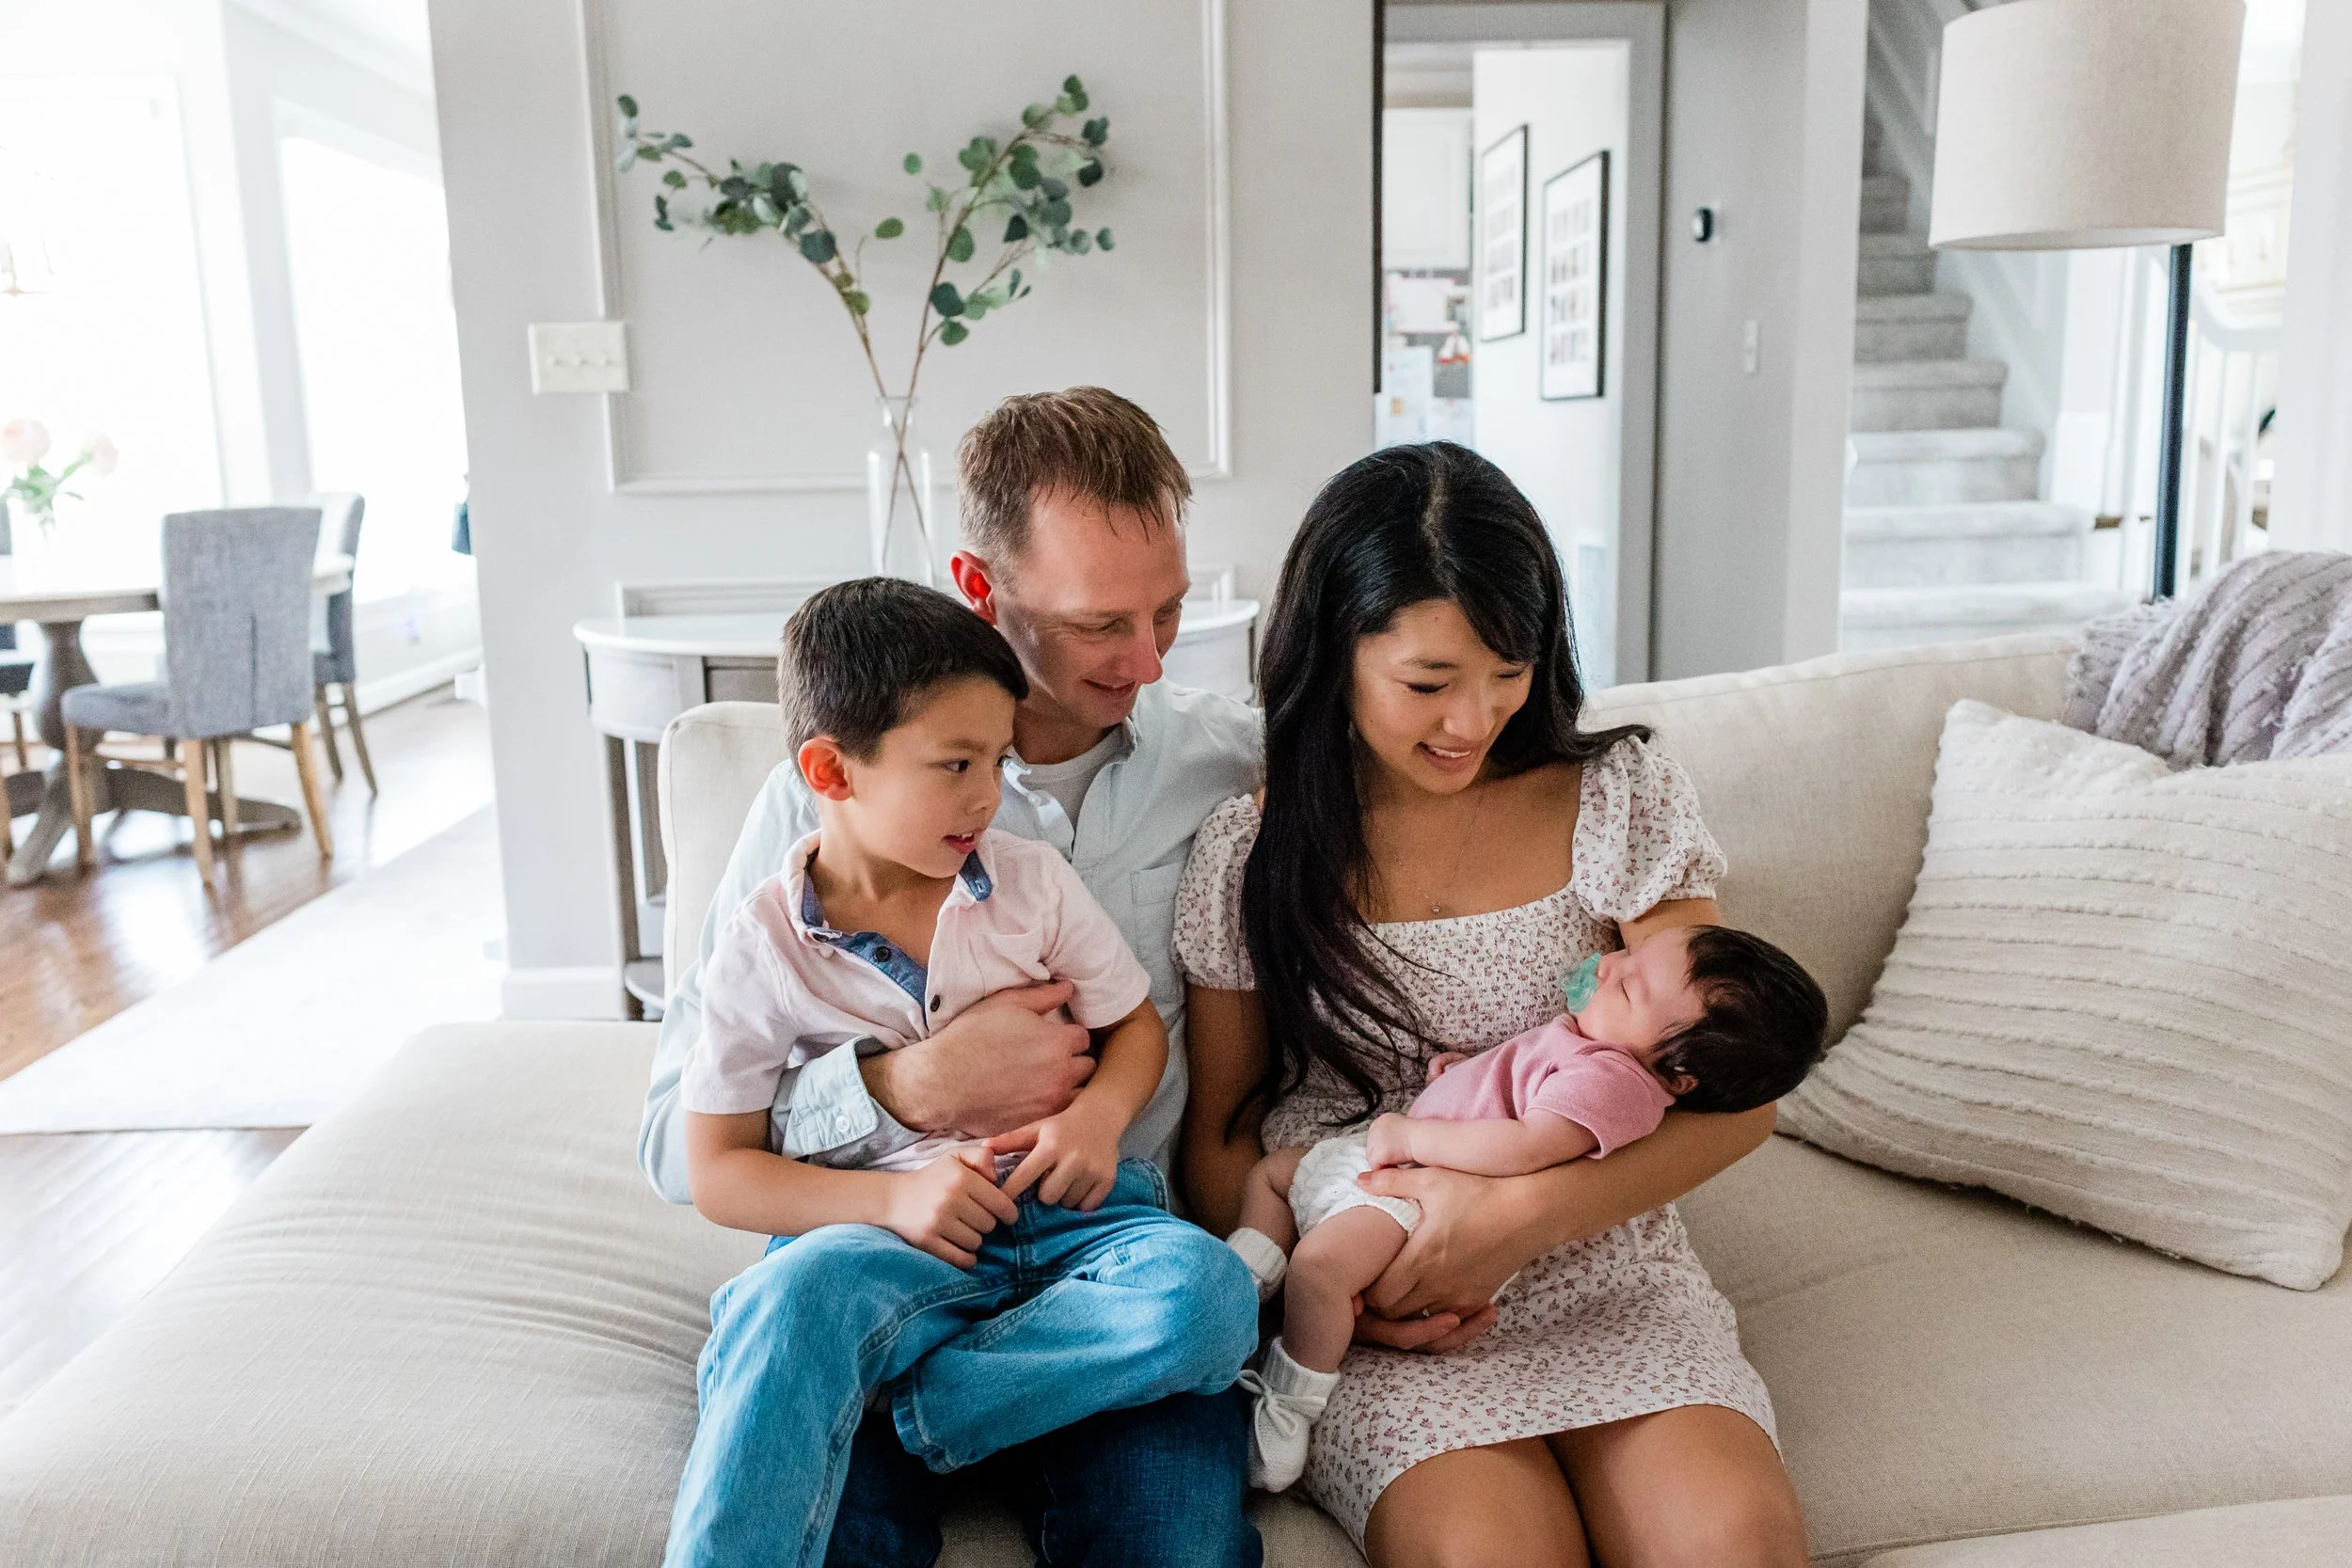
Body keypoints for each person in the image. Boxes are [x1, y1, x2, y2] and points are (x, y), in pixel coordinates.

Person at [637, 388, 1268, 1566]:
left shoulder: (1231, 766)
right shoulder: (820, 807)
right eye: (1099, 625)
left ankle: (936, 1406)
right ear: (980, 589)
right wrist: (902, 1088)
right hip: (885, 1255)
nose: (1147, 659)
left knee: (1178, 1540)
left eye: (1170, 611)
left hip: (1102, 1273)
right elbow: (679, 1139)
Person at [1177, 441, 1812, 1567]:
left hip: (1604, 1255)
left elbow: (1731, 1092)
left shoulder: (1617, 792)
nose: (1471, 720)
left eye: (1506, 670)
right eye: (1427, 682)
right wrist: (1336, 1294)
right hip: (1374, 1273)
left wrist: (1518, 1221)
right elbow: (1225, 1135)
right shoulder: (1252, 850)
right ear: (1335, 650)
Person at [1223, 925, 1830, 1491]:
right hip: (1398, 1160)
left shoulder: (1615, 1080)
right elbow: (1522, 1089)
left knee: (1320, 1270)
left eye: (1629, 983)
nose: (1610, 961)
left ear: (1678, 1074)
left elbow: (1528, 1146)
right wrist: (1465, 1081)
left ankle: (1291, 1396)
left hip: (1423, 1194)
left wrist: (1414, 1136)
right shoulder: (1596, 1041)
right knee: (1274, 1176)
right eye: (1628, 957)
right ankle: (1247, 1280)